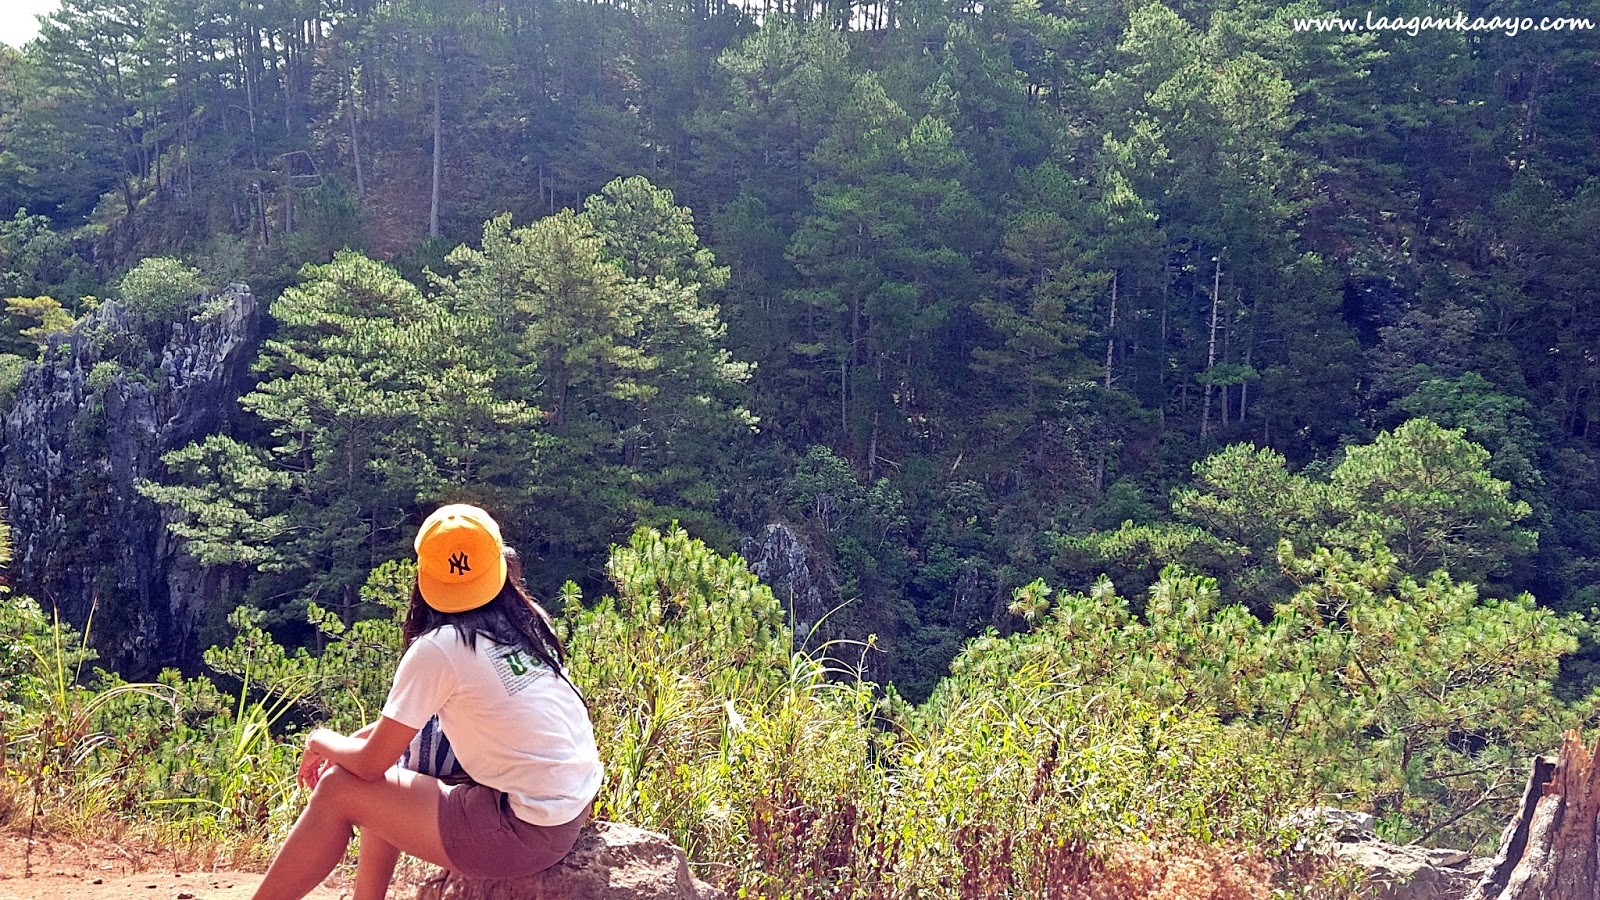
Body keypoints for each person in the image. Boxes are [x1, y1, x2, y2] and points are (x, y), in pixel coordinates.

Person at [252, 503, 602, 900]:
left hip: (522, 832)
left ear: (426, 576)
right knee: (384, 780)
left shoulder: (442, 647)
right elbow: (407, 733)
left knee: (340, 786)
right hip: (566, 810)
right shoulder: (526, 619)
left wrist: (319, 739)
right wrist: (355, 743)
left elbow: (369, 763)